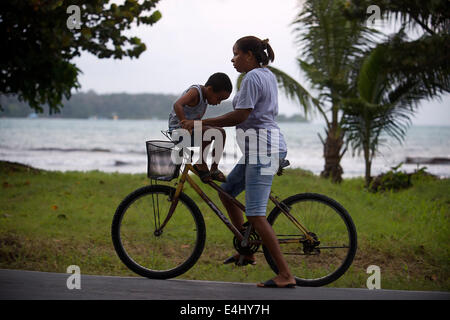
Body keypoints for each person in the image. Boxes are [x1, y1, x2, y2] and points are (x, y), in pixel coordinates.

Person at [181, 36, 296, 288]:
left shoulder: (253, 78)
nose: (232, 59)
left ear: (249, 55)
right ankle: (246, 248)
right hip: (260, 148)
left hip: (263, 151)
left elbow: (240, 115)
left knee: (255, 213)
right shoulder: (265, 75)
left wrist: (201, 123)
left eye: (236, 54)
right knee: (228, 192)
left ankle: (286, 275)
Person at [168, 72, 232, 182]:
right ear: (210, 90)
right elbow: (177, 104)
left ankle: (214, 168)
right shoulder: (195, 92)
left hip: (191, 130)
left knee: (220, 132)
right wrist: (184, 122)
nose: (219, 103)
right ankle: (201, 163)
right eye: (218, 99)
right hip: (178, 130)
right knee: (211, 132)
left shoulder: (205, 98)